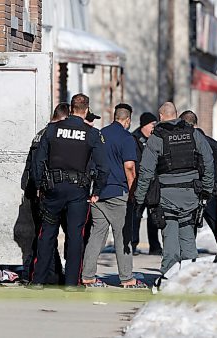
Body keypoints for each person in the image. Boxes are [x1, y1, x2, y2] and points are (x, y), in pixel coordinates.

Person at [30, 93, 109, 291]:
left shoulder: (52, 130)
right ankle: (72, 283)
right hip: (78, 192)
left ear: (72, 108)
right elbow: (104, 167)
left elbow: (38, 161)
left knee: (47, 234)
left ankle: (38, 279)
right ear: (86, 110)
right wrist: (97, 190)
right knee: (75, 235)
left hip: (53, 189)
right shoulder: (91, 133)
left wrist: (40, 185)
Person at [134, 102, 214, 275]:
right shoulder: (193, 133)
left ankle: (169, 277)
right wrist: (207, 188)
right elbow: (208, 161)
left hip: (167, 196)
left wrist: (139, 198)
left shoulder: (157, 138)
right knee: (188, 236)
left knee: (170, 238)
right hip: (191, 194)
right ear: (176, 114)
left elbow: (146, 171)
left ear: (161, 116)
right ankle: (191, 276)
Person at [82, 103, 147, 288]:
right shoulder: (126, 138)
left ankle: (87, 276)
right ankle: (127, 278)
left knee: (96, 235)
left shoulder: (100, 134)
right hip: (118, 193)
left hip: (98, 193)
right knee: (122, 235)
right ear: (127, 120)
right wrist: (133, 192)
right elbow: (129, 167)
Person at [20, 103, 69, 283]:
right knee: (47, 236)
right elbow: (40, 166)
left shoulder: (41, 133)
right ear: (63, 118)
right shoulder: (51, 135)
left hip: (35, 190)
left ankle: (52, 273)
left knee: (46, 235)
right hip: (45, 191)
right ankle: (48, 275)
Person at [179, 110, 217, 254]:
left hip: (188, 193)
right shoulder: (213, 144)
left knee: (187, 231)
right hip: (212, 194)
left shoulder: (182, 144)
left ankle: (186, 261)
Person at [131, 112, 162, 256]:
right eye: (152, 125)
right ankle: (132, 244)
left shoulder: (155, 139)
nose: (154, 127)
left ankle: (154, 246)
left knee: (153, 216)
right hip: (139, 183)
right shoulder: (134, 138)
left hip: (153, 184)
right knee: (135, 215)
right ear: (144, 125)